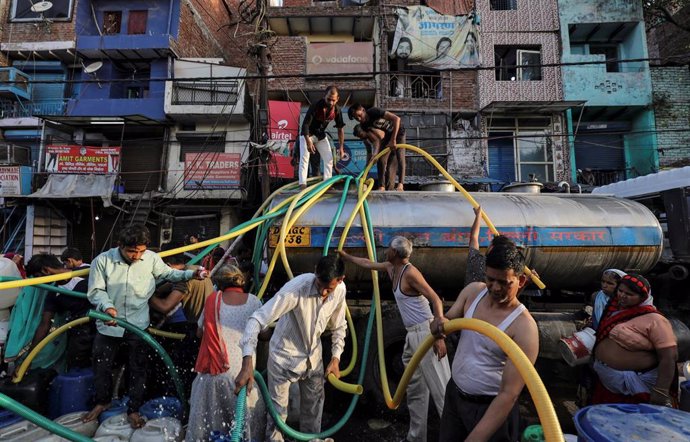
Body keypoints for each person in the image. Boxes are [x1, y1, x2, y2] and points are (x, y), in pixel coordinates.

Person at [83, 224, 208, 428]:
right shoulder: (103, 261)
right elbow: (96, 290)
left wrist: (191, 275)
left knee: (138, 368)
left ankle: (134, 408)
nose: (137, 255)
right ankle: (103, 402)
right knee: (102, 365)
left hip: (138, 324)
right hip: (108, 324)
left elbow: (169, 274)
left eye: (141, 251)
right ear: (120, 246)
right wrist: (107, 307)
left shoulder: (150, 258)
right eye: (132, 251)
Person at [339, 237, 450, 442]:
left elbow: (434, 298)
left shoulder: (410, 273)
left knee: (441, 390)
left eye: (389, 249)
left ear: (397, 254)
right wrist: (347, 257)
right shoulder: (392, 267)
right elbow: (368, 264)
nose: (386, 251)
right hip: (412, 335)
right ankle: (416, 438)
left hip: (426, 333)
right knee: (416, 388)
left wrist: (439, 333)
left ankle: (457, 436)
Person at [235, 255, 347, 442]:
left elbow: (339, 326)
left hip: (313, 359)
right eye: (319, 285)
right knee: (278, 418)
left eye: (329, 288)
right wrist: (248, 362)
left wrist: (336, 358)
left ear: (340, 280)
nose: (323, 292)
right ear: (314, 272)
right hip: (283, 358)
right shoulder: (296, 289)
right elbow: (256, 319)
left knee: (313, 416)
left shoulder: (340, 290)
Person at [437, 242, 539, 442]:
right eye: (490, 279)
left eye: (505, 282)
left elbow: (508, 394)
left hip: (490, 409)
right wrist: (440, 325)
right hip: (455, 395)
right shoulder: (473, 292)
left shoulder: (524, 327)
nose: (495, 287)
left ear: (522, 281)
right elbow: (449, 321)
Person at [186, 265, 267, 442]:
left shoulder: (212, 301)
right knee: (242, 426)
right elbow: (264, 334)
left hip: (213, 374)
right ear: (241, 281)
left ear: (219, 283)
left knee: (210, 428)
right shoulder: (253, 301)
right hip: (243, 374)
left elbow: (200, 333)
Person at [591, 273, 678, 407]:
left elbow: (669, 357)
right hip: (607, 379)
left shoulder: (656, 320)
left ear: (643, 297)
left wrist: (661, 391)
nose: (622, 296)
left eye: (630, 294)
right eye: (620, 291)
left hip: (636, 384)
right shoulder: (614, 311)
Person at [148, 253, 216, 397]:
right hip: (210, 326)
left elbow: (165, 306)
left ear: (167, 267)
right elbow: (166, 287)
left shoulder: (185, 279)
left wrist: (144, 294)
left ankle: (183, 402)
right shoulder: (197, 270)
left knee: (184, 370)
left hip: (196, 329)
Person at [25, 254, 95, 370]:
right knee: (76, 365)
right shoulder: (53, 294)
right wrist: (29, 358)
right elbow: (44, 325)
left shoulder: (86, 272)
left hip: (106, 325)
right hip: (81, 332)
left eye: (38, 277)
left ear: (46, 270)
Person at [348, 103, 406, 191]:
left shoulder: (373, 111)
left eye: (359, 115)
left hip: (399, 132)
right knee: (381, 160)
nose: (359, 119)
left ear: (363, 110)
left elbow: (397, 119)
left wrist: (393, 140)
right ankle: (381, 186)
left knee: (400, 156)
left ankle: (401, 184)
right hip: (387, 135)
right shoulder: (364, 125)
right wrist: (375, 154)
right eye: (356, 118)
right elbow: (376, 140)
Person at [297, 86, 346, 189]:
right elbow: (305, 125)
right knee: (305, 159)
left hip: (320, 135)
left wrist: (341, 148)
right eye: (329, 99)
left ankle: (327, 184)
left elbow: (340, 129)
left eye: (333, 100)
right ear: (325, 96)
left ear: (337, 99)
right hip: (307, 134)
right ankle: (302, 184)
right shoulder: (315, 105)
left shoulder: (337, 110)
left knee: (329, 159)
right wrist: (308, 142)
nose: (331, 102)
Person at [464, 206, 515, 287]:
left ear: (492, 247)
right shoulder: (501, 272)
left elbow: (474, 237)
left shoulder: (476, 260)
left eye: (490, 243)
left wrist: (478, 216)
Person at [353, 125, 389, 190]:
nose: (361, 137)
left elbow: (377, 141)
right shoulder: (365, 139)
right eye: (359, 137)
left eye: (361, 134)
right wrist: (367, 166)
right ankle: (383, 186)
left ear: (364, 131)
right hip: (380, 146)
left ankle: (383, 187)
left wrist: (375, 155)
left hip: (386, 144)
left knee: (381, 162)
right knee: (378, 164)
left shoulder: (370, 133)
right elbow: (369, 152)